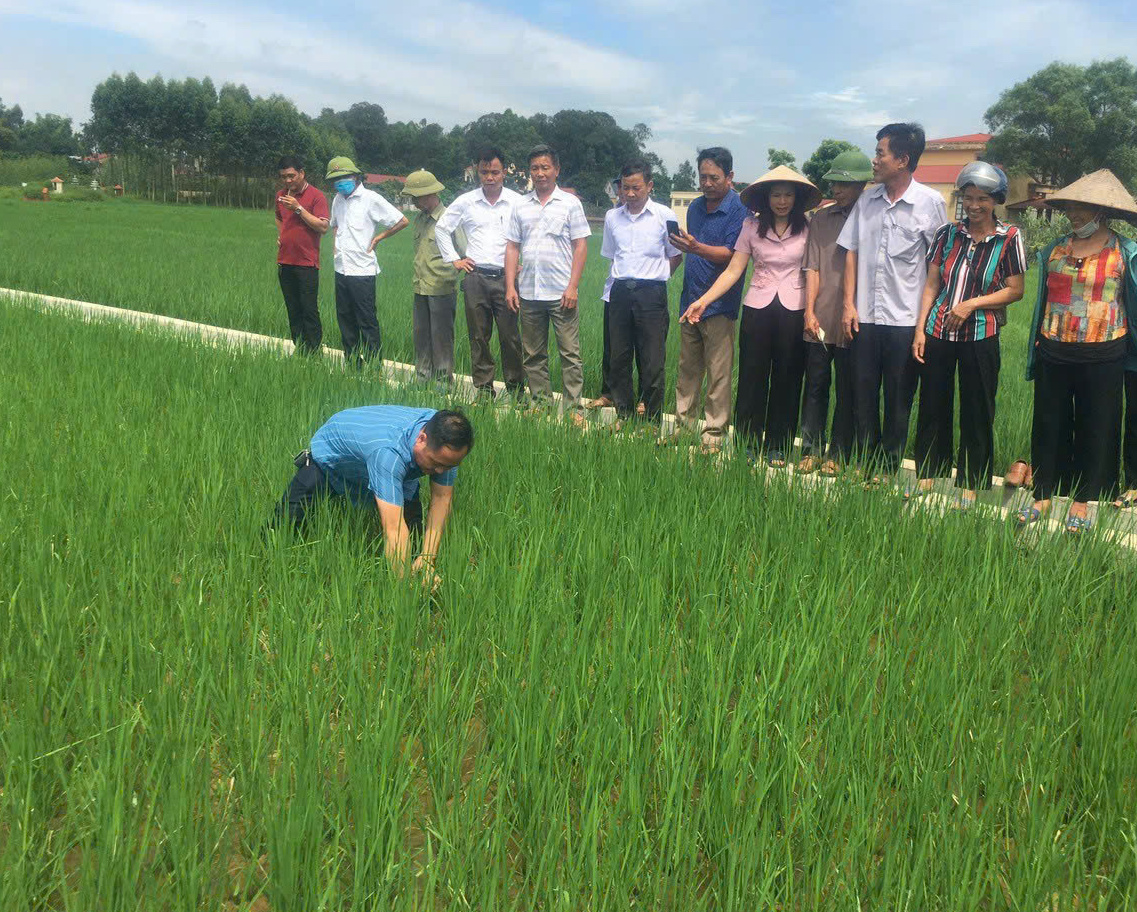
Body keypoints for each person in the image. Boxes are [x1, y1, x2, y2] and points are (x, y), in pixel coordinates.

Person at [1019, 169, 1137, 533]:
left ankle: (1085, 500)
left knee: (1097, 424)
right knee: (1049, 423)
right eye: (1071, 206)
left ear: (1101, 211)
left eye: (1082, 208)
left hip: (1104, 351)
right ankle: (1042, 493)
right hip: (1054, 348)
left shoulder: (1125, 251)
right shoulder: (1055, 247)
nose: (1074, 214)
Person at [686, 165, 819, 466]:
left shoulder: (809, 227)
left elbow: (812, 271)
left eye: (787, 195)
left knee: (788, 378)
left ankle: (778, 446)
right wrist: (704, 300)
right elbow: (735, 269)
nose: (782, 201)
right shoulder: (751, 226)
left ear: (796, 199)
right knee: (752, 377)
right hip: (758, 308)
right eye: (776, 195)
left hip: (794, 309)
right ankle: (747, 442)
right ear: (767, 197)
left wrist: (811, 310)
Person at [910, 162, 1026, 507]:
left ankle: (971, 483)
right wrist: (920, 328)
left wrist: (971, 304)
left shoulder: (1009, 238)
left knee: (978, 408)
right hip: (938, 332)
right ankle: (928, 474)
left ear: (996, 201)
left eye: (982, 199)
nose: (974, 206)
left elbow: (1016, 289)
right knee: (933, 403)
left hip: (981, 333)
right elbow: (932, 283)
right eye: (969, 198)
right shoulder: (946, 235)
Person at [838, 123, 947, 481]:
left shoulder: (931, 203)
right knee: (863, 393)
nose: (874, 160)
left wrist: (923, 324)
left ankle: (887, 467)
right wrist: (848, 305)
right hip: (866, 316)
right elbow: (851, 251)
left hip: (904, 321)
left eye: (880, 152)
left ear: (902, 160)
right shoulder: (867, 201)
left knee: (899, 398)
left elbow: (936, 266)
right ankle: (864, 461)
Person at [274, 407, 474, 583]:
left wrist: (427, 558)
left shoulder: (444, 437)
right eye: (436, 463)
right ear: (422, 439)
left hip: (391, 467)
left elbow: (441, 499)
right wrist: (405, 587)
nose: (441, 471)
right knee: (283, 528)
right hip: (333, 461)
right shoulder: (389, 454)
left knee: (413, 545)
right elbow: (393, 529)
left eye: (449, 466)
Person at [796, 151, 872, 475]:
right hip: (822, 314)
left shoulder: (873, 217)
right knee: (815, 384)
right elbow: (812, 267)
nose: (836, 189)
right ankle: (810, 449)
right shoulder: (821, 219)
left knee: (847, 389)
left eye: (843, 184)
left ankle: (838, 453)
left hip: (855, 318)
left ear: (861, 184)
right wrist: (808, 310)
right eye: (834, 183)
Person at [668, 147, 747, 453]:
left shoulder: (740, 210)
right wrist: (689, 246)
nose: (708, 183)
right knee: (687, 369)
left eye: (715, 177)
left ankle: (714, 433)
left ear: (729, 177)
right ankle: (684, 427)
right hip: (690, 299)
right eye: (703, 176)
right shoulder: (697, 207)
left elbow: (731, 255)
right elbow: (694, 248)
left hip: (719, 305)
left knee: (718, 373)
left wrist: (696, 247)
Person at [505, 144, 591, 422]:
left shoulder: (570, 204)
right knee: (533, 354)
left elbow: (580, 246)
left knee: (570, 354)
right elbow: (512, 248)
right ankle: (540, 403)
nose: (540, 173)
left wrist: (573, 286)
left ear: (556, 170)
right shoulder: (520, 205)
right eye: (535, 168)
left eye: (545, 167)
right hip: (529, 292)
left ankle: (574, 409)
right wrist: (510, 287)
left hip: (561, 293)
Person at [435, 147, 525, 401]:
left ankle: (516, 389)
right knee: (479, 337)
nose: (490, 177)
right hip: (475, 277)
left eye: (495, 172)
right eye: (485, 172)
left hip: (507, 279)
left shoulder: (517, 202)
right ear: (478, 171)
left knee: (511, 337)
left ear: (504, 172)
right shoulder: (466, 201)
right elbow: (442, 228)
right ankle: (484, 389)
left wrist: (523, 263)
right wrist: (454, 259)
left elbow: (531, 235)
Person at [601, 159, 682, 430]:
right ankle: (624, 414)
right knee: (619, 357)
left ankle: (651, 419)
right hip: (621, 292)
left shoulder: (665, 216)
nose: (631, 194)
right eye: (625, 189)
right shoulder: (613, 217)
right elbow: (612, 256)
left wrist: (657, 279)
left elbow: (675, 255)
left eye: (636, 188)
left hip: (651, 294)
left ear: (649, 186)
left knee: (652, 360)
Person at [325, 157, 409, 368]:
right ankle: (353, 363)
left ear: (355, 177)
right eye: (336, 179)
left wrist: (379, 238)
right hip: (341, 267)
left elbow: (402, 220)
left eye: (344, 178)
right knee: (345, 318)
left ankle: (373, 366)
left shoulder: (371, 198)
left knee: (367, 320)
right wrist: (335, 245)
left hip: (362, 270)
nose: (340, 182)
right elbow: (335, 224)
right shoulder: (337, 199)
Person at [401, 169, 464, 384]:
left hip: (442, 288)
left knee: (441, 338)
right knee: (421, 335)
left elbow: (465, 254)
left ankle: (442, 381)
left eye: (415, 197)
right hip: (420, 286)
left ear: (428, 195)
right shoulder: (420, 219)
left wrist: (450, 274)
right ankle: (422, 377)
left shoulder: (449, 219)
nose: (414, 202)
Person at [275, 155, 330, 354]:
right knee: (293, 309)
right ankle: (301, 350)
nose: (288, 181)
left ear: (302, 173)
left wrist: (298, 208)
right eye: (284, 177)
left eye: (292, 176)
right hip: (285, 261)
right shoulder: (281, 195)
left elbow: (323, 226)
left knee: (309, 310)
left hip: (307, 263)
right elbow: (279, 218)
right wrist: (282, 235)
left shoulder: (316, 196)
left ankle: (314, 353)